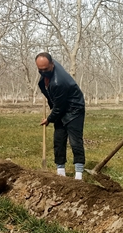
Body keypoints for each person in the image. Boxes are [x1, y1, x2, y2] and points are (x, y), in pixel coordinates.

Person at [36, 52, 86, 180]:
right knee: (59, 139)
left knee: (75, 141)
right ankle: (60, 171)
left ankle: (79, 174)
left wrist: (49, 119)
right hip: (61, 107)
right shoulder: (47, 71)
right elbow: (55, 104)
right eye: (40, 70)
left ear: (52, 64)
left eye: (45, 69)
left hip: (74, 109)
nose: (43, 72)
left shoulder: (59, 82)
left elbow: (59, 107)